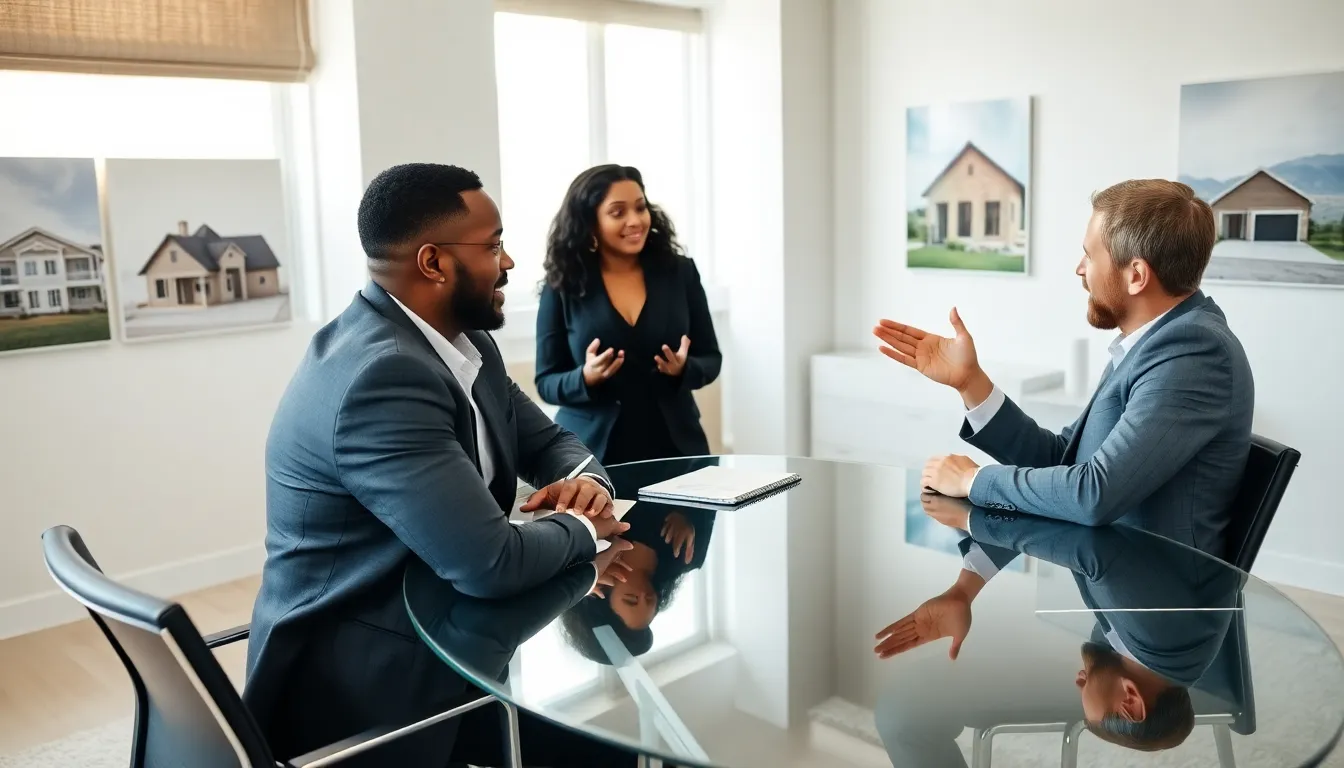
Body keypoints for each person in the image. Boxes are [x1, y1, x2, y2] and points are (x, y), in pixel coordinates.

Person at [244, 163, 637, 766]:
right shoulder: (383, 377)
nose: (508, 264)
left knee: (605, 731)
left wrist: (586, 484)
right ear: (433, 263)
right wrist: (587, 528)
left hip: (448, 625)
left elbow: (552, 442)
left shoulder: (462, 342)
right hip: (366, 687)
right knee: (602, 744)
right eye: (495, 245)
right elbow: (492, 564)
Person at [873, 179, 1253, 559]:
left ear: (1136, 275)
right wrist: (971, 382)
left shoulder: (1193, 352)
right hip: (1111, 579)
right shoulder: (1154, 343)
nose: (1079, 269)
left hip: (1158, 601)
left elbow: (1094, 494)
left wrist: (973, 481)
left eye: (1089, 255)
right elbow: (1065, 459)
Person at [874, 495, 1245, 763]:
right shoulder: (1160, 628)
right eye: (1087, 690)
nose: (1078, 681)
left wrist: (963, 589)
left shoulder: (1160, 649)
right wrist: (972, 520)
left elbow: (1078, 522)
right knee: (907, 705)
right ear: (1130, 700)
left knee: (907, 707)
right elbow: (1082, 534)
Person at [535, 164, 721, 465]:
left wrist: (683, 369)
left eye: (640, 208)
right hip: (593, 456)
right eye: (618, 212)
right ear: (590, 222)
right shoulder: (562, 285)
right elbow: (546, 381)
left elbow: (711, 358)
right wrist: (585, 377)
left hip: (677, 447)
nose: (636, 221)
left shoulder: (680, 272)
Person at [560, 503, 716, 661]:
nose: (644, 594)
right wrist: (689, 513)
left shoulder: (588, 537)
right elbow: (715, 487)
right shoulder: (686, 555)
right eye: (650, 601)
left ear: (600, 592)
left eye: (631, 599)